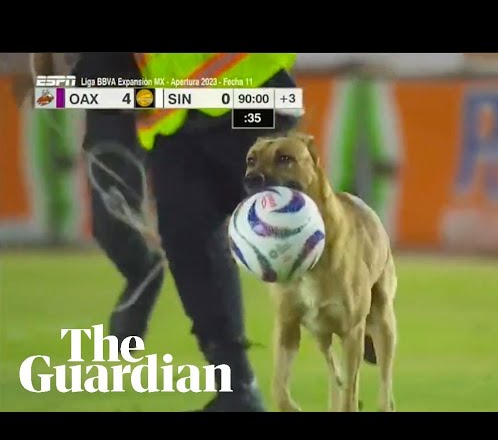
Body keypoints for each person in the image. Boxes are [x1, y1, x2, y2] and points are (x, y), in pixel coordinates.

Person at [131, 53, 300, 411]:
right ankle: (236, 390)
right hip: (171, 117)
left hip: (249, 91)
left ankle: (358, 312)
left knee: (283, 228)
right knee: (189, 247)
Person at [25, 53, 165, 347]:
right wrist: (48, 90)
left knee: (116, 221)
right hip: (99, 104)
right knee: (106, 227)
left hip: (140, 102)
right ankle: (145, 270)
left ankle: (141, 285)